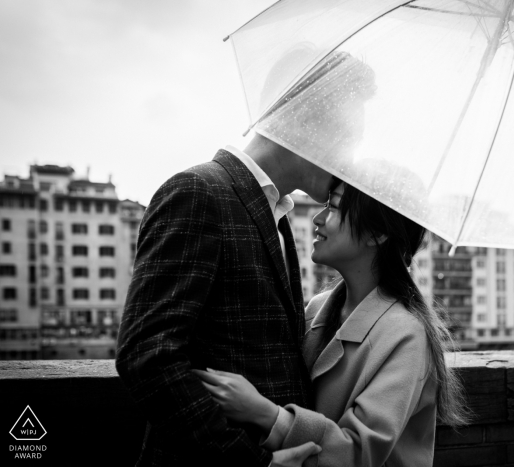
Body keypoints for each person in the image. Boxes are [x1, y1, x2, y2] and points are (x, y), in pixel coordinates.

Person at [116, 51, 376, 466]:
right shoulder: (198, 192)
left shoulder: (275, 213)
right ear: (304, 119)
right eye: (348, 139)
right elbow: (148, 357)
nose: (350, 162)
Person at [194, 180, 471, 466]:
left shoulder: (406, 335)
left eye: (334, 207)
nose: (318, 218)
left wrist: (263, 413)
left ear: (377, 233)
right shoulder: (317, 310)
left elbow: (357, 453)